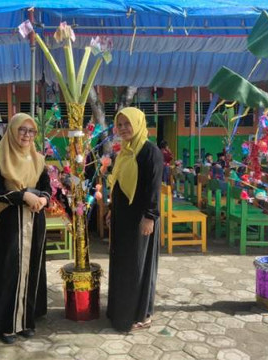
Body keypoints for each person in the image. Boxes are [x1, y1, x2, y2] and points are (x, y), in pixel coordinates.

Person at [0, 113, 51, 344]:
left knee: (31, 269)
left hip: (35, 221)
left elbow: (47, 188)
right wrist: (24, 196)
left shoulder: (39, 159)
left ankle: (25, 321)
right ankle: (5, 326)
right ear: (12, 131)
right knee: (8, 271)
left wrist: (43, 200)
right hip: (9, 222)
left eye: (31, 131)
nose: (26, 135)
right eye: (22, 130)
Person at [105, 107, 163, 332]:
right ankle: (121, 312)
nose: (123, 129)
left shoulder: (150, 152)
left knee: (139, 266)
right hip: (123, 218)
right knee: (123, 263)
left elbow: (153, 188)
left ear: (138, 123)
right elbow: (118, 185)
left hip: (141, 219)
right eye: (119, 125)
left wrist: (149, 217)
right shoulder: (124, 151)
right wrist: (112, 210)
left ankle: (142, 314)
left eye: (127, 123)